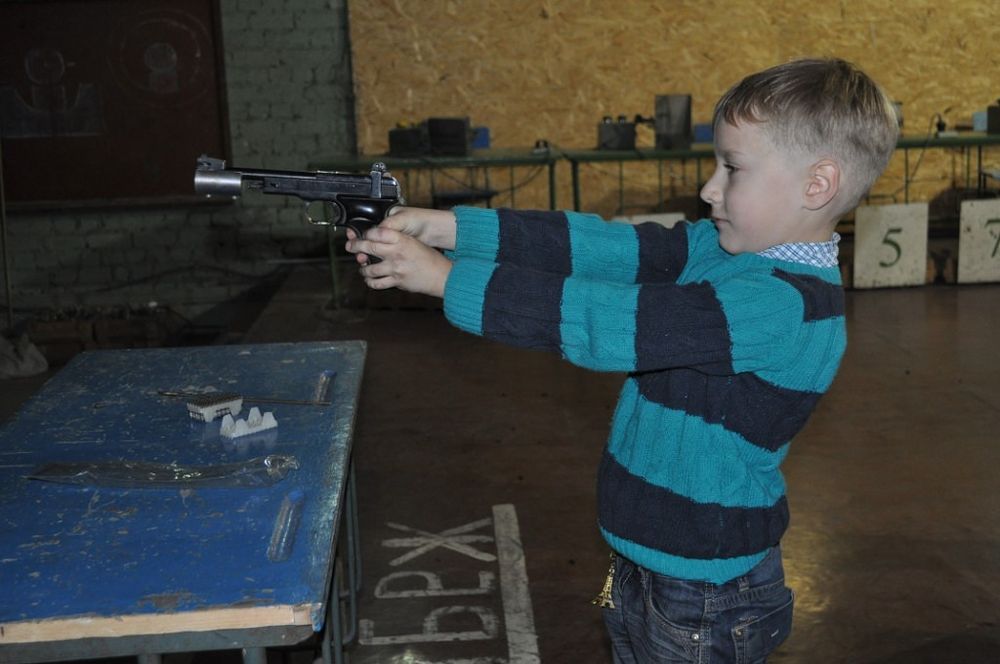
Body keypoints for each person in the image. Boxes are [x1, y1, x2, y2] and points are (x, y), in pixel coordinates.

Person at [346, 57, 899, 663]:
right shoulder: (720, 251)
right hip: (646, 561)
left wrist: (444, 280)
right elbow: (600, 247)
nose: (709, 188)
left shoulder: (780, 306)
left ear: (817, 185)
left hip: (705, 593)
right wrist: (450, 229)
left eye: (732, 168)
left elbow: (611, 323)